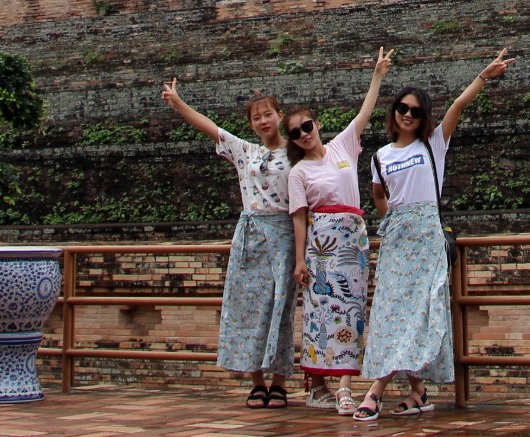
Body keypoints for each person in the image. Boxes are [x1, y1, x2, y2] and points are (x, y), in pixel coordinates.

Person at [351, 48, 514, 422]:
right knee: (391, 312)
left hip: (426, 237)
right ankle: (418, 391)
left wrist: (483, 76)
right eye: (402, 109)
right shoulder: (381, 156)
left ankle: (375, 391)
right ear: (394, 112)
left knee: (419, 311)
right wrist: (392, 219)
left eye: (416, 111)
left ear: (424, 117)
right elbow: (378, 195)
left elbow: (458, 104)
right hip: (397, 239)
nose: (408, 115)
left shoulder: (433, 145)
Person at [162, 80, 298, 408]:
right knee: (247, 308)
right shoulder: (244, 151)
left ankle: (279, 381)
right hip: (250, 234)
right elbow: (210, 127)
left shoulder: (297, 155)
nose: (263, 121)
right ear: (251, 124)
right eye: (256, 118)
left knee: (281, 310)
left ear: (280, 116)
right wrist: (178, 103)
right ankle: (257, 382)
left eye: (268, 114)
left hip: (283, 235)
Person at [287, 47, 393, 413]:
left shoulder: (342, 146)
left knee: (351, 308)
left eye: (307, 126)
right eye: (296, 132)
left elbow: (365, 113)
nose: (304, 134)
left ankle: (346, 384)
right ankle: (320, 385)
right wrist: (300, 259)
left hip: (353, 236)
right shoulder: (298, 173)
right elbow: (299, 217)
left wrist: (377, 74)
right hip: (322, 243)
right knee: (320, 310)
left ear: (317, 126)